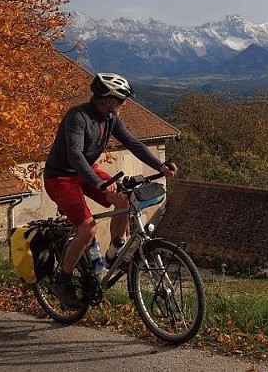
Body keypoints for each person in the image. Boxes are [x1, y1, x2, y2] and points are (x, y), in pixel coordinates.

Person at [43, 72, 177, 310]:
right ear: (108, 100)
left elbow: (133, 143)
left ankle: (116, 249)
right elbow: (75, 154)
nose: (125, 104)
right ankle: (62, 280)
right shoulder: (78, 117)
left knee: (125, 199)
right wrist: (97, 181)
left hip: (87, 172)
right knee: (88, 227)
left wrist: (160, 165)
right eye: (122, 100)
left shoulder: (111, 119)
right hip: (61, 177)